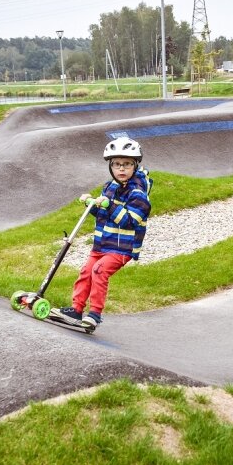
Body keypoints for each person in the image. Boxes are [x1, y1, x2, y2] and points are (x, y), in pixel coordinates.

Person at [57, 137, 153, 330]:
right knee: (86, 271)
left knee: (99, 271)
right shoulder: (110, 187)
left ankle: (95, 315)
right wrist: (91, 204)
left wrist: (109, 206)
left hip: (121, 247)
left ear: (135, 165)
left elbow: (130, 221)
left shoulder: (138, 193)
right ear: (111, 167)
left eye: (126, 164)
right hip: (101, 244)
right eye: (117, 164)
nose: (122, 169)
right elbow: (103, 214)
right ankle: (76, 309)